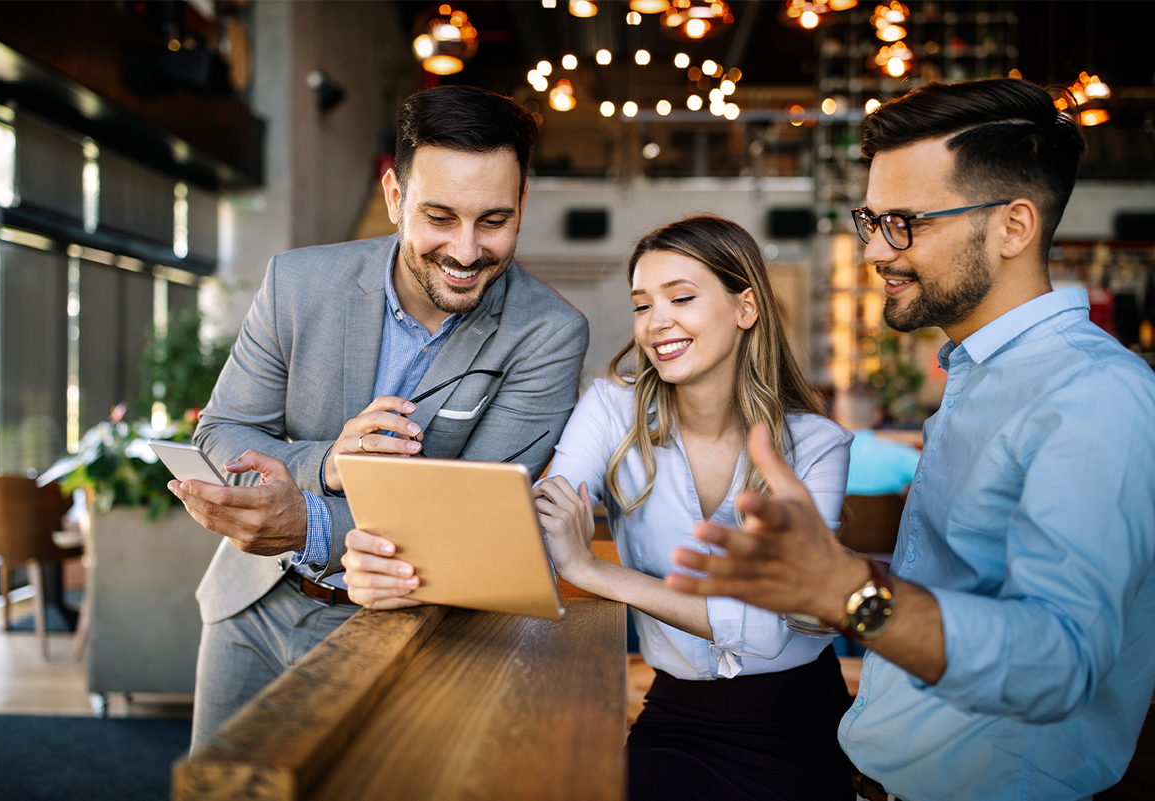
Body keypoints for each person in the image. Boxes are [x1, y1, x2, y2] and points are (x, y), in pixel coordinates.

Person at [667, 78, 1155, 801]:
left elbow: (1060, 661)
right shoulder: (982, 372)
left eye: (904, 224)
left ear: (1013, 227)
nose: (874, 251)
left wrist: (849, 589)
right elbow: (965, 588)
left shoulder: (1092, 396)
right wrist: (820, 575)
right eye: (872, 220)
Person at [169, 85, 588, 751]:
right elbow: (222, 431)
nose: (466, 250)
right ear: (394, 197)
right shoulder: (296, 283)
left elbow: (471, 520)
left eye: (493, 220)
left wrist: (307, 522)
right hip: (250, 608)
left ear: (522, 205)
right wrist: (327, 465)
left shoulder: (549, 333)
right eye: (440, 217)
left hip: (406, 628)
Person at [533, 215, 855, 800]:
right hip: (676, 714)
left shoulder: (816, 445)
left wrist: (593, 571)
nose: (657, 324)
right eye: (641, 305)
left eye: (681, 297)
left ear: (745, 307)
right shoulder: (611, 409)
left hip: (800, 723)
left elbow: (762, 631)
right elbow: (547, 519)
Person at [833, 384, 919, 496]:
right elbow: (935, 483)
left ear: (836, 413)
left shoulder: (820, 456)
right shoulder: (902, 454)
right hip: (890, 514)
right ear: (879, 415)